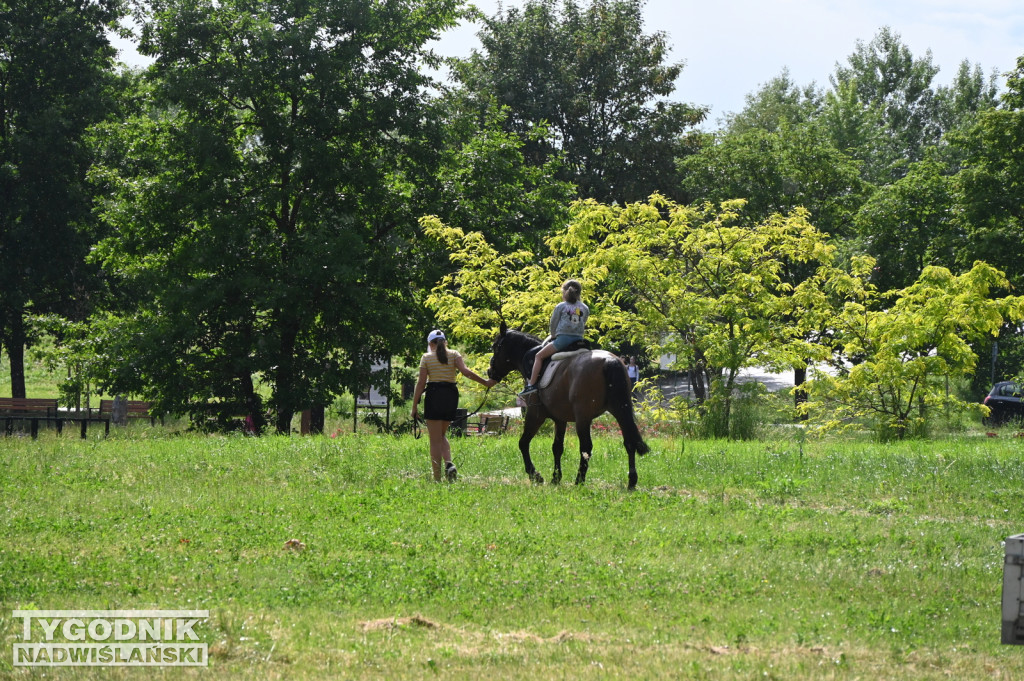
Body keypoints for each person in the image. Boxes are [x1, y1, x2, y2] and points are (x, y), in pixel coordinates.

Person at [411, 329, 496, 482]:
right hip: (450, 395)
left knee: (434, 439)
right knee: (441, 435)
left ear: (431, 344)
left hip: (434, 395)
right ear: (445, 342)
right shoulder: (455, 354)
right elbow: (466, 372)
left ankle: (437, 478)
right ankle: (449, 464)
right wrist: (485, 382)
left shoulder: (426, 357)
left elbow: (421, 382)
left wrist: (414, 406)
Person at [520, 279, 589, 395]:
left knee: (539, 356)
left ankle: (531, 384)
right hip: (579, 340)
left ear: (565, 292)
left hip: (563, 340)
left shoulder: (561, 306)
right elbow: (584, 322)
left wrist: (553, 335)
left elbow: (553, 323)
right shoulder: (585, 307)